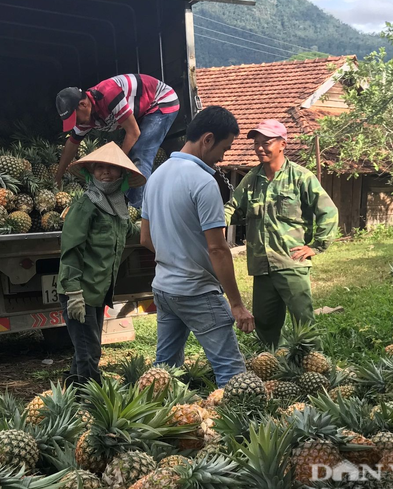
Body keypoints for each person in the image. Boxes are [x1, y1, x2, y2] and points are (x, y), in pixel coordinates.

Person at [140, 106, 254, 387]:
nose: (223, 157)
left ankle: (160, 424)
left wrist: (174, 258)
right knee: (232, 375)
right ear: (207, 139)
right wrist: (237, 305)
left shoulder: (155, 176)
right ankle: (238, 430)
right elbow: (217, 249)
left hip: (164, 289)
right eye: (224, 148)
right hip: (197, 292)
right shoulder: (204, 182)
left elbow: (145, 238)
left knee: (164, 373)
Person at [225, 120, 340, 347]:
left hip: (291, 262)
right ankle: (274, 369)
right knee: (265, 324)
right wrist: (216, 223)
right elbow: (232, 208)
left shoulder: (300, 177)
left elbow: (328, 211)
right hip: (261, 265)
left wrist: (316, 246)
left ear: (282, 144)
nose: (260, 148)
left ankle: (312, 367)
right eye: (256, 143)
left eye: (266, 142)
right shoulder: (252, 180)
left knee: (303, 322)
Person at [57, 142, 144, 386]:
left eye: (112, 168)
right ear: (91, 172)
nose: (106, 172)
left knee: (84, 349)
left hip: (97, 291)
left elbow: (128, 231)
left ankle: (73, 396)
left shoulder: (117, 207)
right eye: (99, 168)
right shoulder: (85, 205)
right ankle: (91, 401)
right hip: (80, 292)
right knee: (90, 351)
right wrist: (73, 292)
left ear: (122, 174)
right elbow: (71, 250)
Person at [55, 74, 179, 209]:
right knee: (127, 156)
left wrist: (116, 163)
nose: (76, 123)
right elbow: (72, 144)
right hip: (140, 112)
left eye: (75, 119)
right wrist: (59, 176)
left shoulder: (108, 94)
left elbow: (133, 132)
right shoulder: (85, 117)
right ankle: (124, 204)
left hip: (161, 102)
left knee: (139, 154)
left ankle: (138, 210)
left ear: (83, 104)